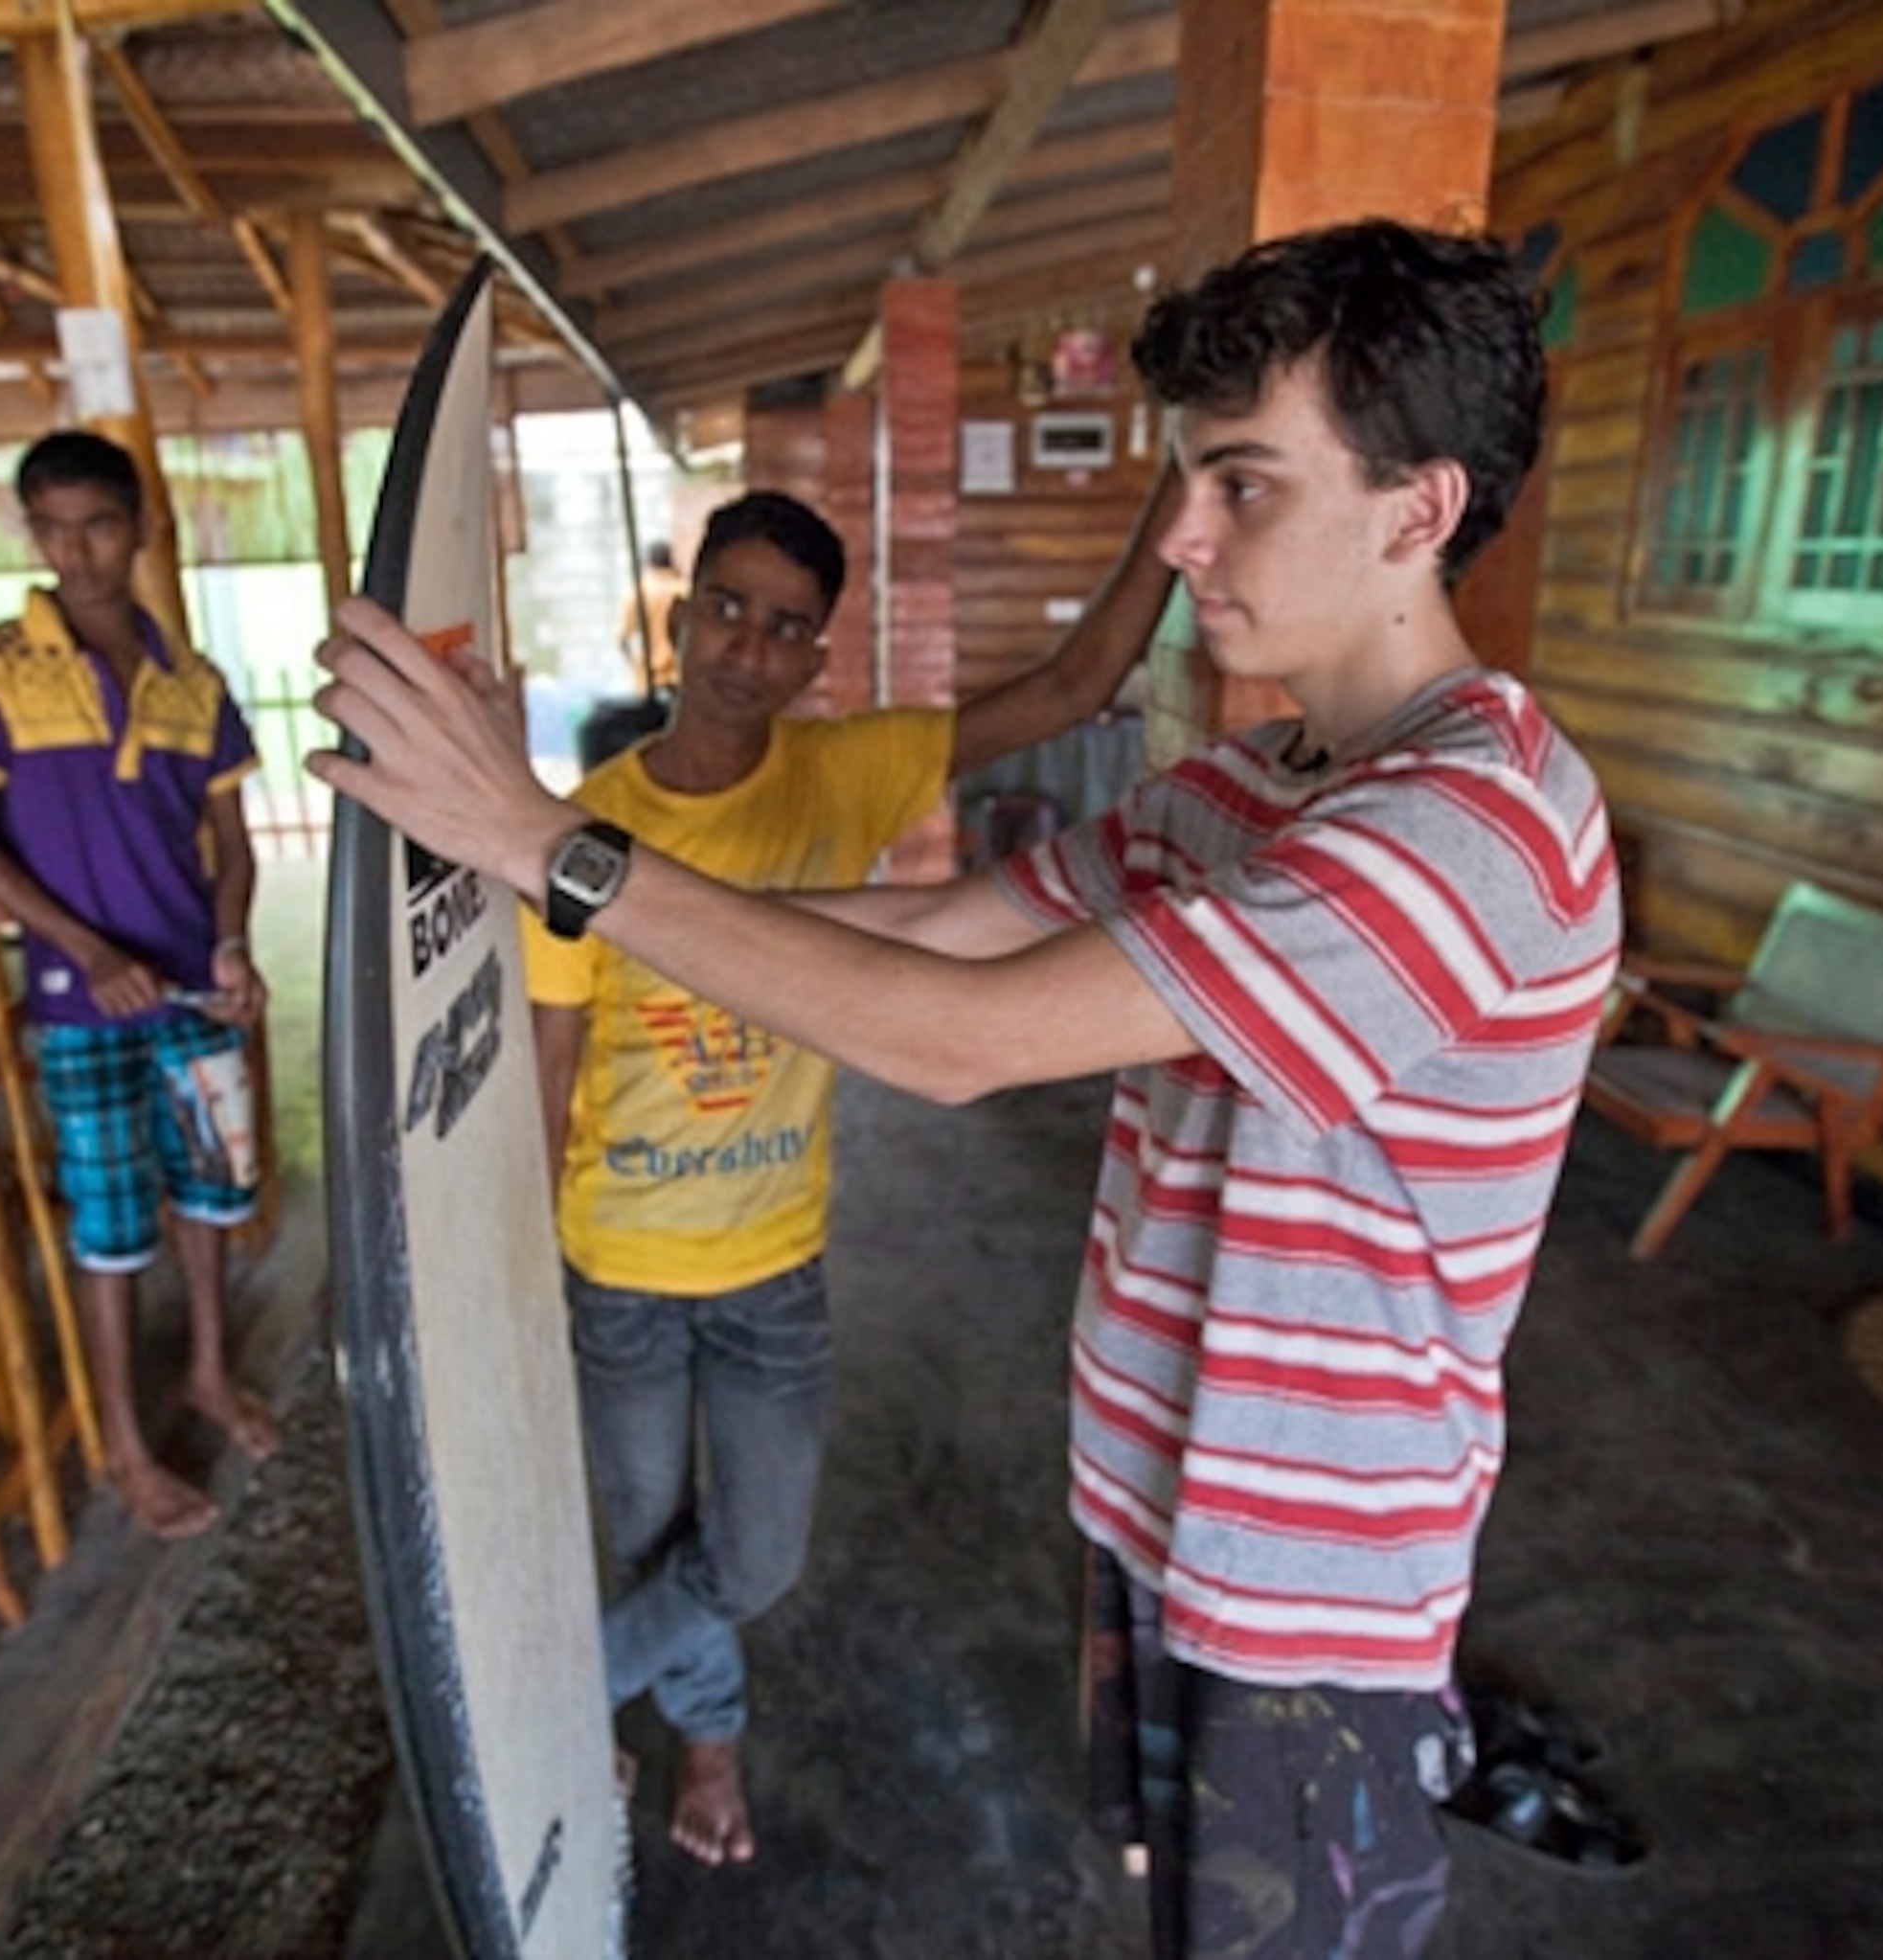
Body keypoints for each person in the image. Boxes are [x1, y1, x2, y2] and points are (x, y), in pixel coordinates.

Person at [314, 218, 1620, 1957]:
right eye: (1182, 480)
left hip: (1307, 1597)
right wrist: (535, 876)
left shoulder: (1467, 824)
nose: (1180, 537)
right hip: (1167, 1512)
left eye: (1240, 486)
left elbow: (953, 1039)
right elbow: (930, 927)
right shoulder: (1251, 785)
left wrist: (548, 842)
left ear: (1418, 508)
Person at [531, 483, 1179, 1867]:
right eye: (726, 610)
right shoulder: (584, 829)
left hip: (772, 1270)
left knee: (751, 1559)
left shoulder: (846, 770)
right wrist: (538, 1258)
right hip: (620, 1269)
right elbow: (553, 1047)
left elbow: (1078, 682)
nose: (745, 650)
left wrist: (1182, 478)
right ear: (683, 612)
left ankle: (555, 1698)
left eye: (784, 629)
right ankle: (708, 1748)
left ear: (816, 657)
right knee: (653, 1546)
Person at [0, 429, 278, 1543]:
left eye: (101, 525)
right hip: (82, 1009)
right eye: (55, 529)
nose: (79, 552)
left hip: (194, 995)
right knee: (112, 1224)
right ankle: (124, 1444)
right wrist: (87, 951)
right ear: (31, 533)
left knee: (214, 1195)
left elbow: (236, 843)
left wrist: (229, 947)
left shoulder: (194, 681)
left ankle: (210, 1375)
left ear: (142, 529)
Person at [620, 539, 687, 695]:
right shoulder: (684, 591)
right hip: (679, 678)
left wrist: (637, 667)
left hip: (648, 681)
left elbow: (624, 641)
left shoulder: (637, 593)